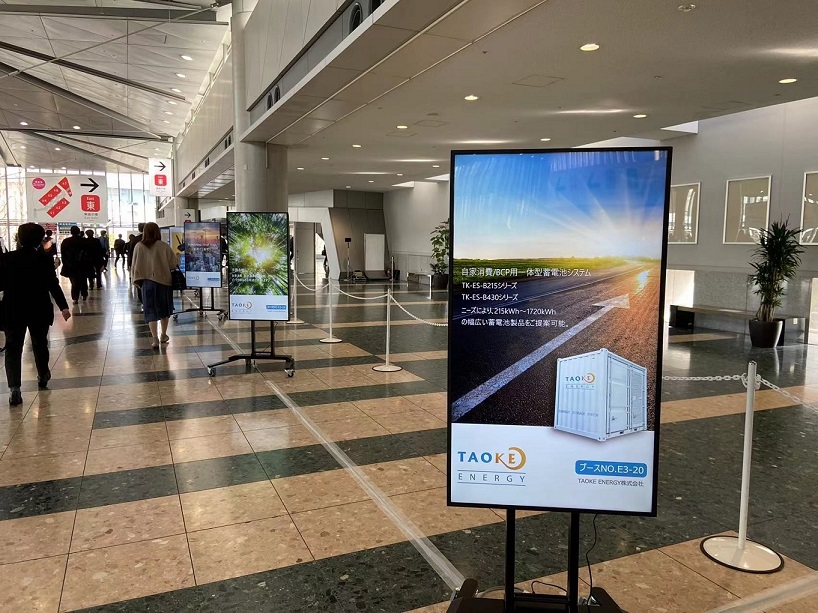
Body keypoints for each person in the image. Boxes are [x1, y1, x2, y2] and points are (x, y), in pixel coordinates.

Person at [0, 223, 71, 405]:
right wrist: (63, 306)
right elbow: (52, 284)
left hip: (13, 309)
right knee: (40, 343)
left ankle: (14, 388)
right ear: (39, 240)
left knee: (13, 348)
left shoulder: (7, 258)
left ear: (19, 238)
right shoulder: (44, 259)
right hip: (39, 308)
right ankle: (43, 374)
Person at [130, 222, 179, 349]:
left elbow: (134, 265)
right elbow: (173, 264)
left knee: (150, 310)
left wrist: (136, 281)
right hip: (164, 282)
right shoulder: (163, 246)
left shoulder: (139, 246)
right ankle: (163, 334)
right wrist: (178, 256)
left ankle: (154, 338)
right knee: (164, 310)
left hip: (147, 283)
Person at [59, 226, 91, 304]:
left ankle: (75, 298)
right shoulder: (84, 241)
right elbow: (88, 253)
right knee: (83, 280)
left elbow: (63, 254)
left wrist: (65, 263)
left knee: (74, 281)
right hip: (82, 264)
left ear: (71, 232)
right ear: (79, 232)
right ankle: (84, 294)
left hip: (71, 265)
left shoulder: (66, 241)